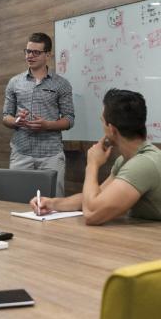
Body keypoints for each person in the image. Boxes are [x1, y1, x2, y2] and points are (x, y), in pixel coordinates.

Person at [30, 89, 161, 225]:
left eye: (102, 121)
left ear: (111, 129)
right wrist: (52, 203)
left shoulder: (144, 164)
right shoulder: (126, 160)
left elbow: (92, 213)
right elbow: (95, 197)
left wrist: (92, 164)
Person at [2, 32, 75, 197]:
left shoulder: (61, 84)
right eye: (28, 51)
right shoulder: (15, 83)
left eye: (36, 52)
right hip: (21, 152)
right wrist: (16, 121)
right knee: (16, 201)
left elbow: (69, 119)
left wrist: (48, 125)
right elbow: (6, 116)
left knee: (54, 204)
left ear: (47, 54)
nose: (30, 56)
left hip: (51, 154)